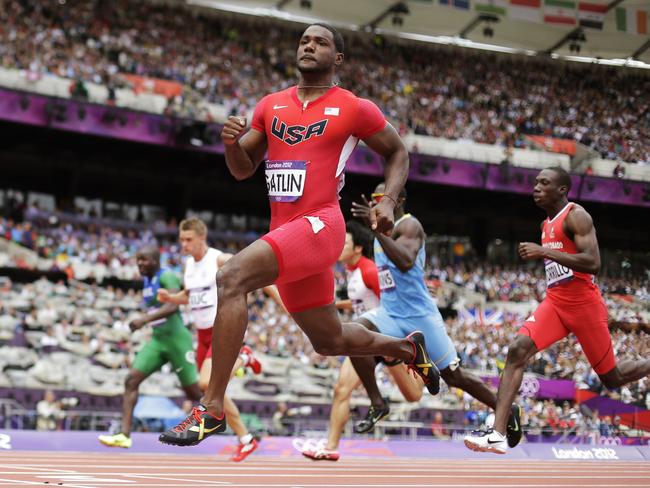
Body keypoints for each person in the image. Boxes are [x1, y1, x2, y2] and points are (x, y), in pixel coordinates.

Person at [159, 22, 440, 447]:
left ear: (337, 58)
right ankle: (407, 350)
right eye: (304, 41)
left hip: (322, 224)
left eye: (320, 42)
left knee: (230, 277)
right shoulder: (270, 107)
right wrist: (232, 144)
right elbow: (241, 170)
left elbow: (397, 151)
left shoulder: (353, 107)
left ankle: (212, 408)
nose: (309, 46)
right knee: (329, 340)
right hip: (286, 231)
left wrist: (387, 198)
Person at [464, 167, 650, 454]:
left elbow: (593, 262)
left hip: (584, 306)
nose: (535, 187)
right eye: (536, 182)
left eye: (543, 183)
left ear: (562, 189)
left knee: (611, 378)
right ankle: (497, 433)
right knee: (517, 350)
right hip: (555, 302)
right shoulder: (545, 224)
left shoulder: (577, 215)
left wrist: (544, 252)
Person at [349, 183, 523, 447]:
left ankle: (507, 410)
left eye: (380, 199)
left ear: (399, 200)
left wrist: (375, 230)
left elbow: (405, 262)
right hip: (389, 312)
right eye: (373, 199)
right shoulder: (379, 234)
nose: (375, 204)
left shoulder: (409, 226)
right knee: (352, 335)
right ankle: (377, 402)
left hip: (419, 315)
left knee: (454, 376)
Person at [301, 220, 424, 461]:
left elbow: (392, 301)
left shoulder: (369, 271)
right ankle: (330, 447)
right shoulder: (354, 272)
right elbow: (362, 301)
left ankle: (423, 362)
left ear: (357, 248)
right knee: (341, 389)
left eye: (344, 243)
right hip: (362, 343)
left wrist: (395, 342)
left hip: (386, 339)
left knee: (413, 395)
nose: (338, 248)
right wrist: (335, 305)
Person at [157, 217, 276, 462]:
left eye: (188, 240)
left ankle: (244, 356)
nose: (184, 245)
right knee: (214, 394)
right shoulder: (189, 265)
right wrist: (171, 298)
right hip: (201, 335)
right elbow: (190, 296)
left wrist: (281, 302)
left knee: (205, 385)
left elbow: (256, 274)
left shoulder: (218, 259)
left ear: (202, 237)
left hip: (220, 332)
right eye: (181, 240)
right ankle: (246, 439)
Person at [99, 246, 201, 449]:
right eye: (138, 260)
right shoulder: (146, 281)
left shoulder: (168, 277)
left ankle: (230, 423)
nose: (140, 264)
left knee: (195, 395)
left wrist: (144, 319)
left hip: (177, 341)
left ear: (156, 260)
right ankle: (124, 435)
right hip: (158, 340)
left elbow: (173, 306)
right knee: (131, 380)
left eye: (144, 260)